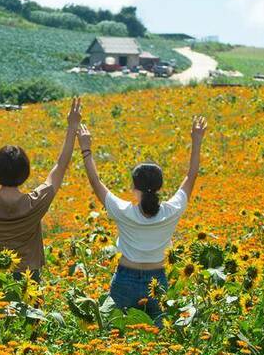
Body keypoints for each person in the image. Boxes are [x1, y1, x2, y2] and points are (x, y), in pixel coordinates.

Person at [77, 116, 207, 324]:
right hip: (157, 280)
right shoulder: (171, 210)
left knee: (113, 331)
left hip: (125, 279)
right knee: (159, 336)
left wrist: (86, 148)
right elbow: (191, 175)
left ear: (133, 187)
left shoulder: (123, 211)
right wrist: (197, 140)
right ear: (160, 187)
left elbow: (95, 181)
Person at [0, 89, 82, 279]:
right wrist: (72, 127)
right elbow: (61, 165)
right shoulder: (35, 202)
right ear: (26, 173)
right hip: (26, 275)